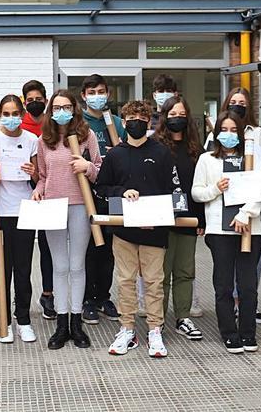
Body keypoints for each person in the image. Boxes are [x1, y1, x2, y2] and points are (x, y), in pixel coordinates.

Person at [96, 100, 174, 357]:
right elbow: (102, 188)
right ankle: (127, 328)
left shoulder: (162, 153)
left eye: (141, 117)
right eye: (131, 117)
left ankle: (155, 329)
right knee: (125, 281)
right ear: (124, 121)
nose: (136, 122)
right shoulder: (116, 154)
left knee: (154, 282)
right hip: (124, 231)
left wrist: (161, 215)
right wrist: (121, 192)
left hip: (154, 231)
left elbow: (174, 192)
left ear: (149, 121)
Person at [32, 89, 102, 350]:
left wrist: (88, 168)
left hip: (80, 206)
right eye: (57, 107)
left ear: (74, 109)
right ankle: (61, 323)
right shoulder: (45, 140)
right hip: (53, 207)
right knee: (59, 267)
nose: (61, 111)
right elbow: (42, 175)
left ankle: (76, 321)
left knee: (77, 266)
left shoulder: (86, 136)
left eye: (66, 107)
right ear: (51, 110)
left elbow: (99, 168)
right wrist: (38, 190)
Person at [192, 110, 261, 353]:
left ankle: (248, 333)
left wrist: (245, 214)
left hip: (249, 230)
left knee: (247, 285)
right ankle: (229, 332)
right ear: (216, 133)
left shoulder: (251, 159)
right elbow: (196, 193)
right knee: (223, 285)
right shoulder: (206, 160)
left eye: (234, 130)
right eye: (224, 130)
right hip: (219, 231)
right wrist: (216, 188)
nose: (229, 134)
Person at [208, 87, 261, 324]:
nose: (237, 105)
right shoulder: (217, 135)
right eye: (233, 101)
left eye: (241, 102)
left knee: (250, 265)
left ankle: (246, 307)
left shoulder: (257, 133)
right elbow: (210, 163)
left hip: (250, 209)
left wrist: (250, 206)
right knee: (225, 267)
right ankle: (230, 307)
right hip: (223, 210)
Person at [152, 95, 206, 340]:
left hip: (189, 219)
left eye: (181, 115)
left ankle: (182, 317)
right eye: (172, 115)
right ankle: (158, 320)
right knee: (161, 273)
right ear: (164, 117)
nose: (177, 119)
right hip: (162, 218)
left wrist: (201, 220)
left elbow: (202, 186)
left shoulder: (197, 149)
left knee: (184, 271)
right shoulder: (155, 146)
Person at [0, 95, 39, 344]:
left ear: (23, 113)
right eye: (6, 113)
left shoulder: (31, 139)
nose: (11, 118)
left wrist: (34, 172)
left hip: (25, 211)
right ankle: (4, 319)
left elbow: (40, 177)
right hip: (1, 214)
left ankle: (24, 319)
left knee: (23, 269)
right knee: (2, 271)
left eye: (15, 113)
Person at [79, 74, 125, 325]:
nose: (97, 96)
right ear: (84, 95)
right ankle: (88, 299)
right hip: (86, 192)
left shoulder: (116, 123)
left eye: (101, 91)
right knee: (89, 248)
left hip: (112, 192)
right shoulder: (79, 123)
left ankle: (104, 296)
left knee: (108, 248)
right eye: (92, 92)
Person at [20, 79, 56, 320]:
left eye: (38, 99)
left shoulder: (52, 125)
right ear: (24, 102)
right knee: (21, 250)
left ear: (45, 100)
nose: (34, 103)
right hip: (20, 193)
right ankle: (19, 299)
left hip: (46, 192)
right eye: (29, 100)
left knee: (47, 246)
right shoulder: (17, 124)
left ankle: (48, 294)